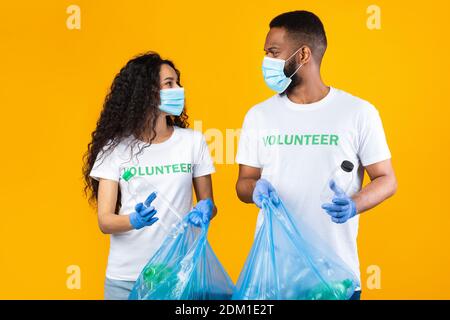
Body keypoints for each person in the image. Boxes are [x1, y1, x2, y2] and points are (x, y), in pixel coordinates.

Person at [235, 11, 397, 300]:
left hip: (335, 280)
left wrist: (353, 204)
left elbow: (386, 179)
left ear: (304, 54)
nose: (266, 62)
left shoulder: (358, 112)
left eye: (274, 52)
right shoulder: (259, 116)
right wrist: (254, 189)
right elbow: (244, 183)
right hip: (274, 279)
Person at [82, 52, 216, 300]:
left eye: (177, 82)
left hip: (180, 275)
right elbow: (105, 221)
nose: (178, 89)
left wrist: (206, 210)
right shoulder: (115, 150)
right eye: (169, 83)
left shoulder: (192, 142)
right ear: (145, 92)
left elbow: (209, 204)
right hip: (126, 279)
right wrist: (134, 220)